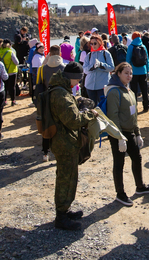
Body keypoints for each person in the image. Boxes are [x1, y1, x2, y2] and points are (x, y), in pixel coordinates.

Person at [47, 62, 98, 230]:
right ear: (72, 78)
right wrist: (90, 115)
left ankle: (65, 209)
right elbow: (73, 120)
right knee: (65, 179)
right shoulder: (61, 94)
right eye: (78, 81)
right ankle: (61, 216)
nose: (78, 84)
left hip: (66, 141)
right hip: (64, 143)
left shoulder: (61, 90)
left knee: (69, 177)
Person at [105, 62, 149, 206]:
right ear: (118, 73)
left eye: (130, 73)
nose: (129, 76)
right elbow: (113, 116)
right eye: (126, 73)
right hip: (118, 134)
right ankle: (120, 193)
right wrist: (120, 137)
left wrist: (138, 133)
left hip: (130, 132)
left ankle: (140, 187)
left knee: (137, 157)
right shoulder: (114, 92)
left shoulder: (131, 91)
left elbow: (134, 116)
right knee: (119, 163)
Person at [36, 45, 65, 161]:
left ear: (49, 55)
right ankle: (61, 151)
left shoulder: (42, 69)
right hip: (61, 100)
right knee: (62, 126)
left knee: (47, 126)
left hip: (47, 101)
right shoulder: (64, 68)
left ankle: (45, 153)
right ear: (60, 54)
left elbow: (38, 85)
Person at [82, 34, 115, 105]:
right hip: (90, 85)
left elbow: (112, 68)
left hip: (102, 85)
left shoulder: (106, 53)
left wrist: (101, 65)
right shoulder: (89, 55)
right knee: (92, 106)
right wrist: (92, 67)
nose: (93, 45)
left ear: (100, 42)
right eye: (91, 43)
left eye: (95, 43)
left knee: (103, 106)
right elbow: (84, 70)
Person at [126, 32, 149, 113]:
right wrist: (147, 70)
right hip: (143, 71)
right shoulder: (143, 46)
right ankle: (146, 106)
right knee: (144, 90)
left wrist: (128, 71)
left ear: (132, 38)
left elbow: (128, 60)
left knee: (134, 91)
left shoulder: (131, 47)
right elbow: (147, 60)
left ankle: (134, 108)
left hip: (134, 71)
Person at [0, 39, 19, 106]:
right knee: (12, 87)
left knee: (4, 87)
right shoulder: (10, 52)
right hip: (12, 71)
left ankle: (4, 101)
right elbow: (16, 62)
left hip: (2, 72)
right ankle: (13, 101)